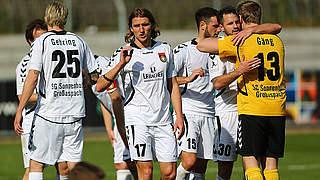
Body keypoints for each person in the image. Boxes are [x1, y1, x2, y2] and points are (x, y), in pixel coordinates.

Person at [197, 1, 286, 180]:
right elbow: (277, 26)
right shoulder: (277, 40)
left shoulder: (240, 41)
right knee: (270, 166)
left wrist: (229, 38)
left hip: (253, 109)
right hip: (277, 108)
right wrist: (255, 29)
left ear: (242, 19)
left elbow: (202, 45)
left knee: (250, 163)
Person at [96, 8, 184, 180]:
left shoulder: (165, 49)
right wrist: (120, 65)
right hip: (138, 121)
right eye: (137, 26)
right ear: (131, 28)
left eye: (145, 24)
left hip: (163, 120)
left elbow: (172, 84)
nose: (141, 29)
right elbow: (100, 86)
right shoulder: (124, 53)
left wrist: (179, 116)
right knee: (146, 172)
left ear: (152, 26)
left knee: (170, 173)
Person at [13, 1, 98, 180]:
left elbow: (33, 75)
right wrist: (86, 81)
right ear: (65, 19)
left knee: (36, 164)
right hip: (74, 114)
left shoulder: (42, 42)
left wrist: (20, 109)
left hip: (49, 114)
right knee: (73, 167)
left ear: (47, 18)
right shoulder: (79, 40)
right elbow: (94, 75)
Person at [173, 7, 219, 179]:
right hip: (189, 111)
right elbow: (166, 80)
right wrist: (188, 78)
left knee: (200, 167)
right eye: (215, 26)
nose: (219, 29)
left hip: (209, 112)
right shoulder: (183, 50)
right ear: (202, 25)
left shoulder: (219, 49)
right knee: (189, 161)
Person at [92, 55, 137, 180]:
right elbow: (102, 100)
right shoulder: (91, 80)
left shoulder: (102, 68)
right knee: (123, 164)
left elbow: (116, 98)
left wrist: (120, 126)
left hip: (129, 117)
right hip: (119, 120)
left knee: (130, 163)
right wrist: (109, 128)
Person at [16, 19, 47, 180]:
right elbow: (22, 96)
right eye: (39, 38)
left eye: (45, 36)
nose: (43, 42)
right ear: (30, 41)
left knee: (63, 165)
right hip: (32, 123)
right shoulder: (25, 64)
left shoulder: (51, 59)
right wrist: (48, 96)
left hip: (53, 119)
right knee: (32, 169)